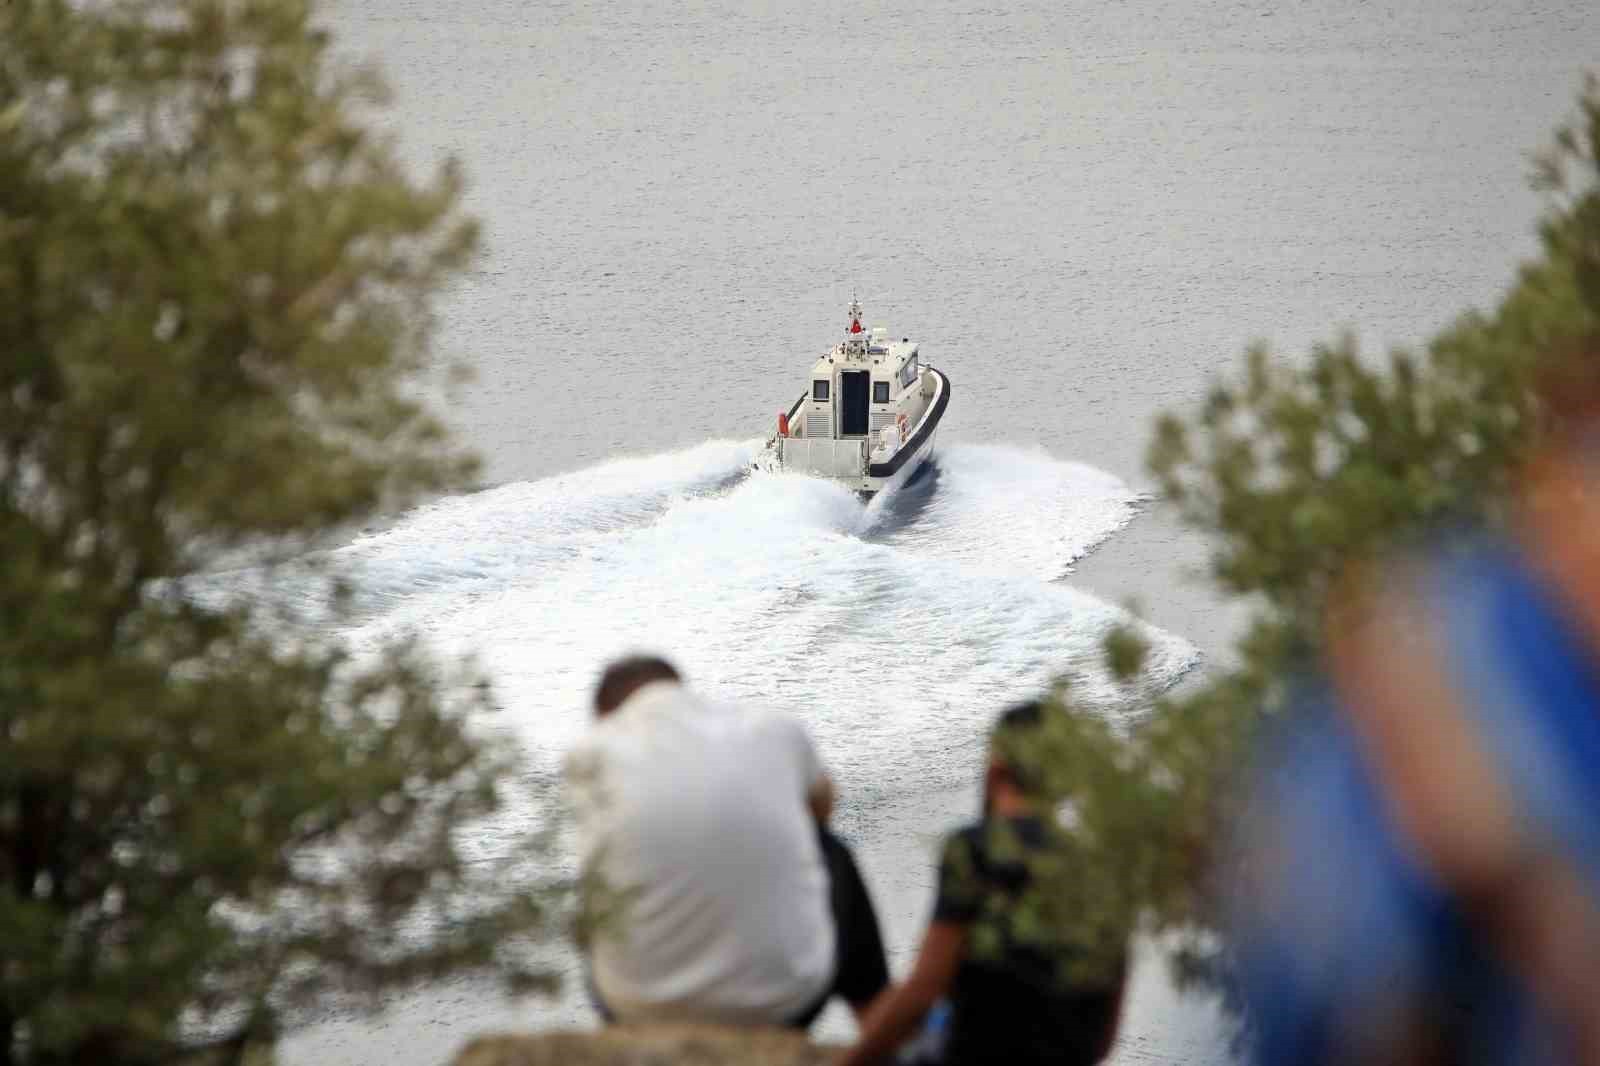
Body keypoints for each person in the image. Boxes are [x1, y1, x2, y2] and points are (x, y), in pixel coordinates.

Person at [565, 654, 889, 1028]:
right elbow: (822, 805)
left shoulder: (587, 756)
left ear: (606, 716)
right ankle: (875, 1015)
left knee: (603, 874)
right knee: (827, 847)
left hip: (636, 1008)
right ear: (679, 688)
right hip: (784, 1002)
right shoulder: (772, 727)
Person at [838, 702, 1128, 1066]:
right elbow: (1104, 1036)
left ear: (997, 766)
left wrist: (849, 1061)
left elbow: (926, 987)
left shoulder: (976, 848)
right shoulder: (1103, 865)